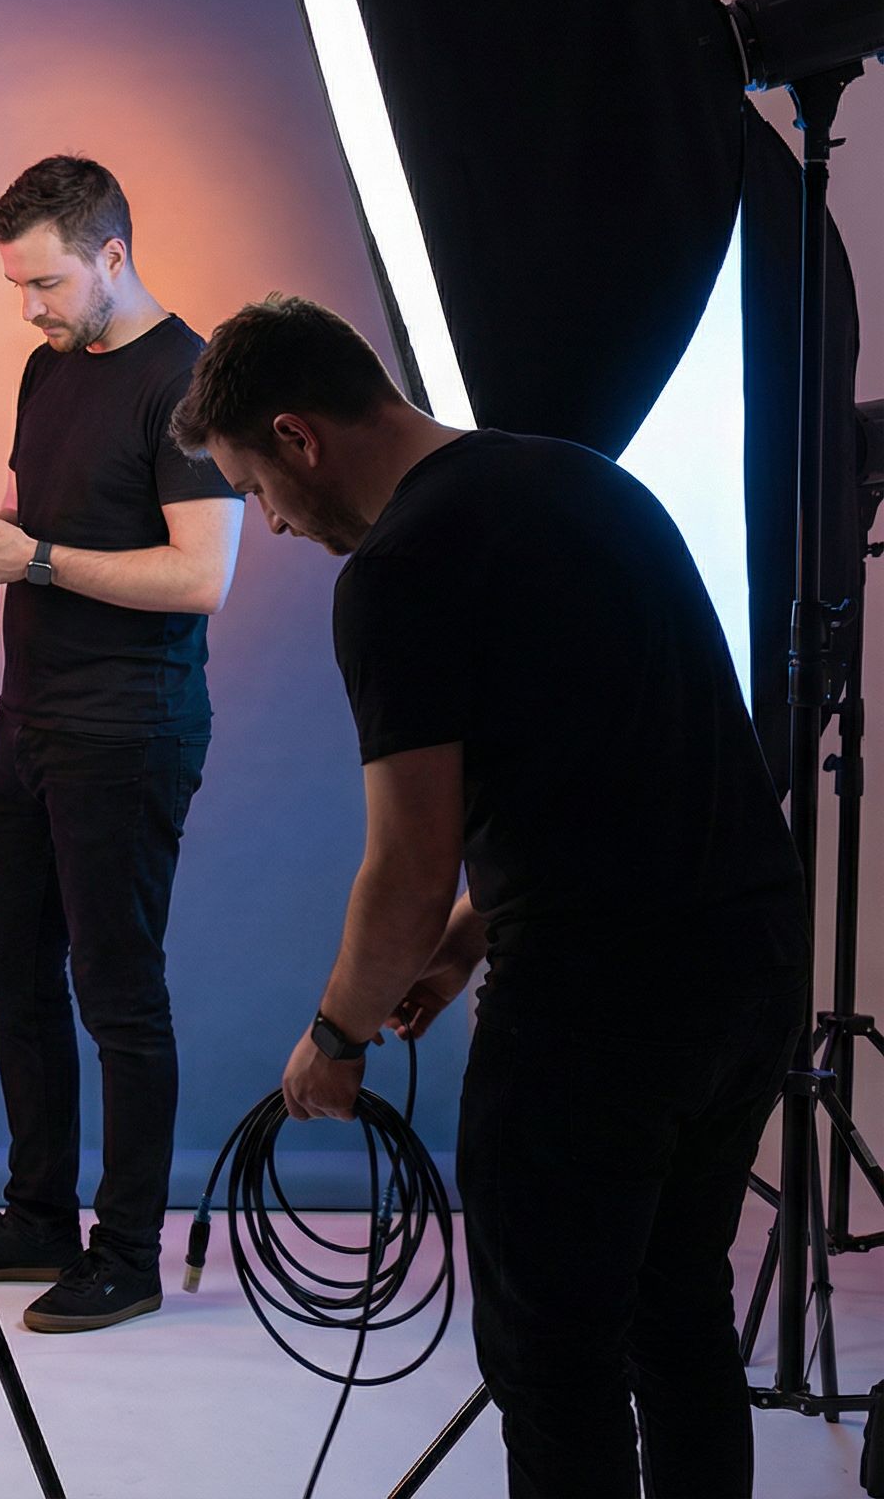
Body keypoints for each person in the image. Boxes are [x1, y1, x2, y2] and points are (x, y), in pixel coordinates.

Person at [168, 294, 806, 1498]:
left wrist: (335, 1037)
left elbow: (409, 864)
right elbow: (628, 767)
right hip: (748, 966)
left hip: (595, 1008)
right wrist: (467, 944)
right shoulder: (585, 483)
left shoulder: (401, 569)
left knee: (552, 1359)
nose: (277, 525)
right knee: (677, 1311)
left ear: (300, 436)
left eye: (258, 487)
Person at [0, 155, 242, 1333]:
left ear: (110, 254)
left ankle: (128, 1250)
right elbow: (54, 519)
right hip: (31, 720)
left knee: (117, 988)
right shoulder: (48, 370)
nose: (31, 308)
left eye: (44, 281)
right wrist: (5, 531)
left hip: (129, 727)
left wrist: (34, 560)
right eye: (16, 285)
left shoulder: (188, 378)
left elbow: (202, 576)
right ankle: (38, 1214)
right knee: (11, 969)